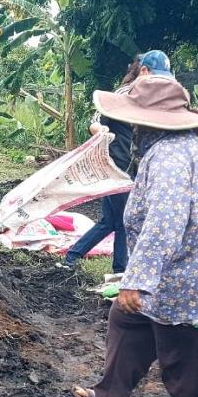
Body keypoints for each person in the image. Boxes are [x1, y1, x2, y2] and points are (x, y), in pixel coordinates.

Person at [71, 74, 198, 397]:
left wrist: (139, 280)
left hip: (183, 279)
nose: (129, 125)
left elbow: (165, 222)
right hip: (180, 270)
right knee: (127, 321)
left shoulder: (168, 158)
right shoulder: (183, 149)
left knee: (185, 361)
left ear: (146, 122)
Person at [61, 56, 142, 272]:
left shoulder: (146, 100)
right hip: (116, 165)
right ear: (143, 72)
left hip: (131, 166)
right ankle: (120, 270)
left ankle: (71, 256)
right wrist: (100, 130)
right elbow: (95, 122)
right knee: (125, 219)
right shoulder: (121, 96)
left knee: (110, 220)